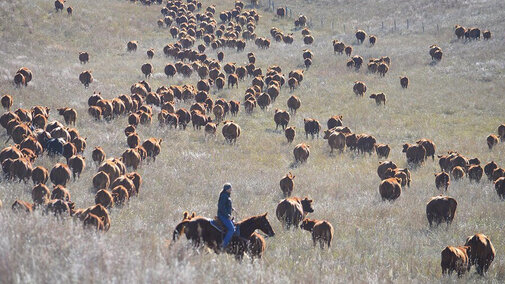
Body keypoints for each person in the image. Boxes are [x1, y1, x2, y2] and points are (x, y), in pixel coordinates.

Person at [217, 183, 235, 249]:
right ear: (227, 189)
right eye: (230, 188)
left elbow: (225, 205)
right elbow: (221, 207)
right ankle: (223, 245)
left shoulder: (226, 195)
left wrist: (231, 208)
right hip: (222, 215)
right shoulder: (224, 196)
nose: (231, 189)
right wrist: (227, 215)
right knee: (231, 229)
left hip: (225, 215)